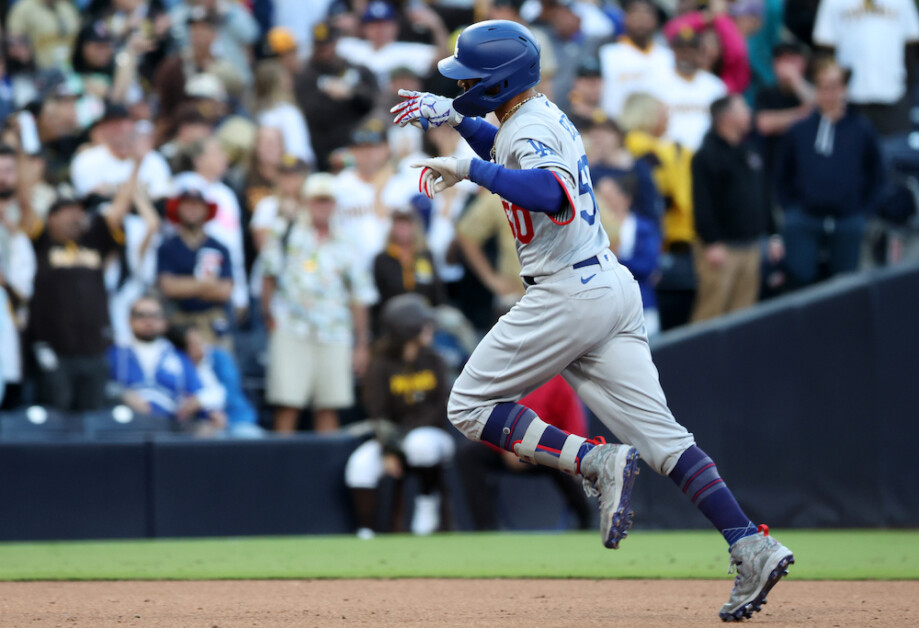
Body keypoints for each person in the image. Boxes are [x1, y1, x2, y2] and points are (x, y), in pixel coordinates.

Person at [391, 19, 793, 621]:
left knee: (469, 406)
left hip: (566, 291)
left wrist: (467, 169)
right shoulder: (534, 113)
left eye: (471, 78)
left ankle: (593, 460)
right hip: (606, 284)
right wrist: (451, 114)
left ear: (499, 81)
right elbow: (504, 143)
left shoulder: (526, 127)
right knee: (664, 440)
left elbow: (551, 191)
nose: (464, 83)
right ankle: (749, 541)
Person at [260, 173, 376, 433]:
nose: (323, 206)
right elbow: (267, 276)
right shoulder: (285, 231)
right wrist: (269, 317)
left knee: (329, 405)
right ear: (305, 202)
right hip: (291, 328)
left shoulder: (347, 241)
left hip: (334, 331)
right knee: (287, 403)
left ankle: (325, 469)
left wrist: (361, 344)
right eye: (317, 200)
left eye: (328, 201)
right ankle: (281, 468)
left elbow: (360, 296)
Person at [21, 167, 137, 412]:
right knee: (57, 413)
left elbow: (120, 207)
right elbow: (24, 203)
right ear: (51, 217)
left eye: (79, 211)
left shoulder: (94, 241)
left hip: (94, 349)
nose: (76, 216)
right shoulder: (40, 241)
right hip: (54, 349)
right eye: (68, 211)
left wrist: (137, 162)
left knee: (93, 416)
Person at [345, 294, 455, 538]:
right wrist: (389, 450)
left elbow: (440, 408)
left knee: (420, 444)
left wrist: (404, 439)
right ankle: (366, 530)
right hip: (392, 438)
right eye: (422, 323)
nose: (429, 328)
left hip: (432, 438)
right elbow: (378, 412)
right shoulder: (380, 364)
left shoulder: (434, 360)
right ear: (407, 328)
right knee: (359, 465)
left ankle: (427, 508)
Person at [775, 58, 886, 289]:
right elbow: (781, 173)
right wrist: (790, 211)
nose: (828, 93)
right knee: (799, 281)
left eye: (834, 86)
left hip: (848, 219)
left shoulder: (861, 128)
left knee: (844, 287)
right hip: (805, 218)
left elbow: (877, 173)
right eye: (822, 86)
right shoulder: (799, 130)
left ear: (844, 89)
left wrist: (864, 213)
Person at [456, 374, 591, 532]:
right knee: (468, 455)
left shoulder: (557, 379)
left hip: (545, 450)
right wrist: (505, 446)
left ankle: (586, 521)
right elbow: (487, 416)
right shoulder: (504, 375)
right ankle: (486, 528)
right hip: (505, 447)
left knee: (570, 459)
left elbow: (573, 425)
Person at [690, 94, 777, 322]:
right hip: (722, 249)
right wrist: (711, 242)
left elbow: (764, 195)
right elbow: (702, 203)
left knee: (744, 314)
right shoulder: (705, 156)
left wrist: (773, 233)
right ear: (727, 117)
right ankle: (700, 358)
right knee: (711, 312)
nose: (749, 113)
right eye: (743, 109)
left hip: (752, 245)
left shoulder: (751, 150)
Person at [107, 295, 225, 436]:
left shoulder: (178, 357)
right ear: (129, 320)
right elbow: (100, 387)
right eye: (141, 315)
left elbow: (196, 394)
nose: (148, 321)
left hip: (170, 429)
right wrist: (122, 394)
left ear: (164, 321)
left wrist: (209, 414)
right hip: (124, 427)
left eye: (154, 316)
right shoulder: (116, 354)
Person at [813, 0, 919, 136]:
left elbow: (910, 47)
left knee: (895, 153)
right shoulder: (833, 2)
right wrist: (832, 96)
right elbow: (825, 50)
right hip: (850, 100)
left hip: (894, 97)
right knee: (850, 154)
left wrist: (907, 91)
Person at [156, 187, 234, 347]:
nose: (192, 210)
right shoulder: (167, 247)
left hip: (213, 323)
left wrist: (185, 285)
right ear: (178, 209)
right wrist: (207, 284)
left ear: (206, 210)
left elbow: (225, 291)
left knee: (224, 367)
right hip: (178, 323)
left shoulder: (220, 247)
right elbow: (168, 288)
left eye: (197, 205)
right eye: (187, 205)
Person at [167, 323, 263, 438]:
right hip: (202, 425)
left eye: (200, 341)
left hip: (237, 421)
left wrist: (200, 401)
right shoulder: (179, 368)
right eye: (192, 345)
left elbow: (229, 391)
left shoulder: (219, 357)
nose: (200, 347)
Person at [598, 0, 673, 119]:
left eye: (647, 14)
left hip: (658, 133)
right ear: (624, 18)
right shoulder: (607, 53)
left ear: (656, 20)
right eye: (635, 13)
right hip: (618, 130)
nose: (641, 19)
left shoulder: (668, 57)